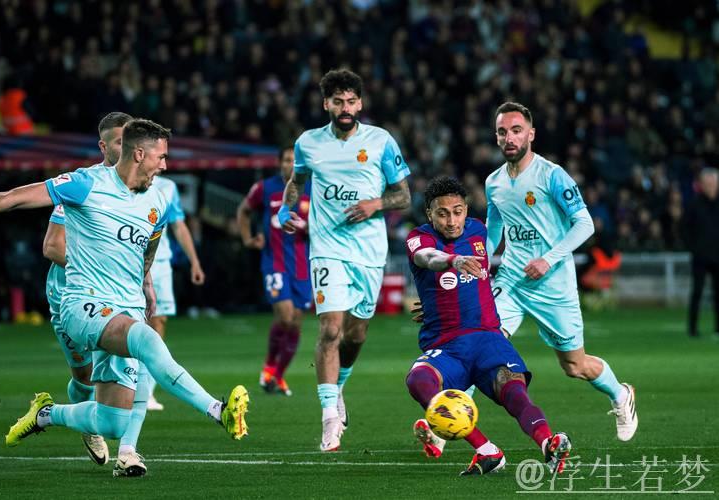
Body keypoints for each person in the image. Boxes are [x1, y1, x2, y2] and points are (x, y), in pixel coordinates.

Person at [0, 119, 249, 475]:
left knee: (112, 422)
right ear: (139, 154)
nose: (165, 166)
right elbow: (12, 199)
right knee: (147, 341)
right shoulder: (86, 184)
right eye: (161, 157)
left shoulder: (158, 202)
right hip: (83, 305)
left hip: (126, 309)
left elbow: (148, 250)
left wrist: (146, 284)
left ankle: (46, 414)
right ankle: (218, 411)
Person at [485, 102, 637, 441]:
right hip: (512, 281)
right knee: (482, 342)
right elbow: (493, 230)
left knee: (574, 366)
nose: (509, 138)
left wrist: (548, 259)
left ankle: (621, 394)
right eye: (502, 132)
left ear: (531, 134)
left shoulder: (551, 175)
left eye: (516, 130)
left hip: (553, 285)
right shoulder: (493, 182)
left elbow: (584, 224)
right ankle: (449, 414)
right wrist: (478, 261)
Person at [278, 69, 411, 451]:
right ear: (326, 104)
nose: (345, 108)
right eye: (338, 101)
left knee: (356, 335)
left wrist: (375, 204)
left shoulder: (381, 141)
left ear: (360, 103)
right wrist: (286, 210)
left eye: (351, 101)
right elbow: (296, 182)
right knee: (330, 330)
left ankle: (338, 388)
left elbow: (403, 195)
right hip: (327, 249)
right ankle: (328, 419)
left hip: (369, 253)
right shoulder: (308, 143)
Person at [406, 176, 572, 475]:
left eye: (457, 211)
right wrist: (454, 261)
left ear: (466, 211)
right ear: (429, 214)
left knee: (514, 391)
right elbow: (426, 258)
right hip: (447, 346)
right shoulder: (419, 238)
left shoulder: (479, 230)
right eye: (442, 213)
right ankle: (486, 450)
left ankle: (549, 443)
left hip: (488, 339)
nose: (451, 221)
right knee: (418, 380)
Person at [42, 111, 131, 469]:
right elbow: (53, 246)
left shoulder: (139, 190)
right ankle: (86, 421)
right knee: (84, 375)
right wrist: (99, 265)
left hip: (112, 297)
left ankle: (128, 448)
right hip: (69, 296)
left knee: (129, 360)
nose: (127, 148)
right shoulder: (83, 185)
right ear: (103, 147)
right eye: (119, 141)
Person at [237, 146, 311, 397]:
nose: (291, 164)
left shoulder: (312, 188)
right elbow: (244, 211)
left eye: (295, 160)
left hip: (303, 265)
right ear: (280, 163)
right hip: (275, 263)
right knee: (285, 316)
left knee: (296, 322)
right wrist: (248, 239)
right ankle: (269, 366)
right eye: (287, 160)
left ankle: (277, 376)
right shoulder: (265, 188)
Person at [146, 174, 206, 410]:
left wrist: (194, 261)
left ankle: (146, 392)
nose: (163, 164)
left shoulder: (167, 187)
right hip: (128, 262)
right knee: (127, 325)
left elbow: (179, 226)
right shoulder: (122, 180)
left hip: (160, 263)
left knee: (158, 322)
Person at [684, 167, 719, 338]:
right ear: (702, 185)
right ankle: (692, 329)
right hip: (700, 256)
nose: (711, 186)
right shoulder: (694, 204)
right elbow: (685, 229)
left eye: (713, 183)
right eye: (708, 183)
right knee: (697, 292)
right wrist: (694, 247)